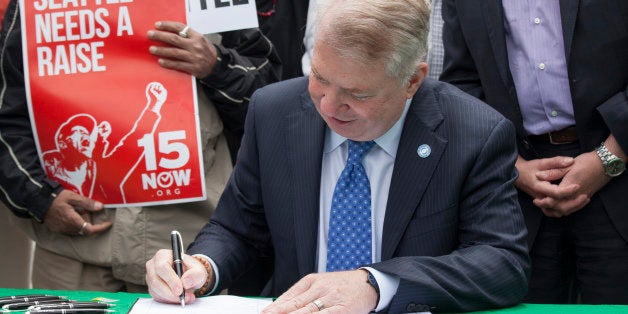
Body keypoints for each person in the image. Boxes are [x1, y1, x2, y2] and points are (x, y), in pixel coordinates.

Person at [145, 0, 530, 313]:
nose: (329, 106)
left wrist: (376, 284)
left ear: (412, 80)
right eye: (320, 78)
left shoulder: (474, 132)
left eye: (357, 94)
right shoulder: (275, 111)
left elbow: (501, 264)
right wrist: (202, 267)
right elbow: (238, 227)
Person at [0, 0, 280, 292]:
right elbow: (8, 114)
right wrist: (41, 198)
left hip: (186, 251)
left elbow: (269, 97)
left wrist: (217, 66)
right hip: (73, 253)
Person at [440, 0, 628, 304]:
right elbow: (463, 84)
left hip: (617, 164)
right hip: (518, 186)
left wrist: (609, 157)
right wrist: (512, 167)